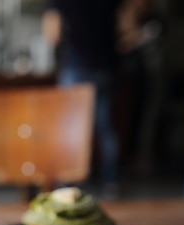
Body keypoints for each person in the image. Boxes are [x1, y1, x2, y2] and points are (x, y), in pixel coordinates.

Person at [42, 0, 125, 198]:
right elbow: (124, 27)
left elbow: (53, 34)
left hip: (77, 65)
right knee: (106, 127)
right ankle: (110, 182)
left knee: (69, 126)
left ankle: (67, 184)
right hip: (106, 65)